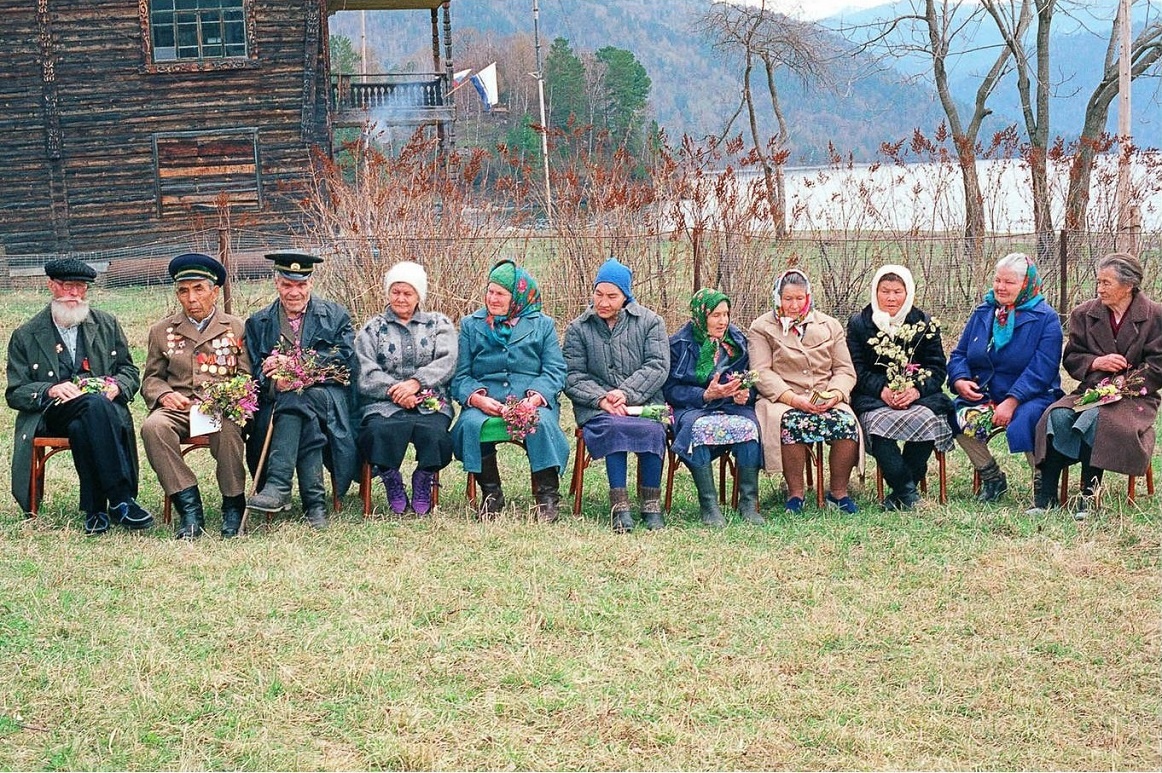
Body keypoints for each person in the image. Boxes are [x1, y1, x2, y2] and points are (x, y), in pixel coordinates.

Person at [5, 258, 153, 534]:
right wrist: (49, 390)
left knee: (85, 420)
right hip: (54, 413)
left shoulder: (106, 324)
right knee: (93, 407)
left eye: (80, 287)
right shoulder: (26, 334)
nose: (74, 294)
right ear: (51, 286)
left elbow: (129, 370)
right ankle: (121, 500)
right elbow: (15, 392)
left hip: (95, 413)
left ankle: (95, 509)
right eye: (67, 286)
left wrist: (118, 386)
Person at [1033, 252, 1162, 519]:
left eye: (1106, 283)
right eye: (1098, 282)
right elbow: (1071, 358)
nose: (1099, 289)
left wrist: (1126, 383)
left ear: (1128, 285)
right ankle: (1045, 497)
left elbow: (1158, 365)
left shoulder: (1155, 316)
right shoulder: (1084, 314)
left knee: (1097, 418)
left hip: (1134, 397)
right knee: (1056, 415)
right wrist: (1095, 363)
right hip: (1091, 390)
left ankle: (1089, 497)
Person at [140, 253, 251, 539]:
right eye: (183, 291)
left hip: (219, 407)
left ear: (214, 292)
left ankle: (233, 505)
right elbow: (151, 378)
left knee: (227, 430)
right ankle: (189, 507)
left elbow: (247, 376)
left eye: (199, 289)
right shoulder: (162, 331)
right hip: (180, 406)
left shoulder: (235, 327)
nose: (191, 298)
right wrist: (164, 395)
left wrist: (230, 398)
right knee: (153, 427)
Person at [245, 252, 358, 530]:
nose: (294, 292)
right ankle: (314, 505)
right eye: (287, 284)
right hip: (280, 403)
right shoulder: (258, 323)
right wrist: (274, 379)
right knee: (297, 404)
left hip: (328, 398)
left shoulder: (335, 316)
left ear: (310, 283)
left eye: (301, 285)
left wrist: (297, 366)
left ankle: (279, 484)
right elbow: (254, 374)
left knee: (297, 396)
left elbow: (345, 359)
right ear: (276, 283)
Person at [451, 259, 570, 522]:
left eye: (500, 294)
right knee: (472, 425)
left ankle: (547, 497)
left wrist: (536, 398)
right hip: (487, 399)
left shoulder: (543, 325)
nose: (492, 298)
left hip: (530, 399)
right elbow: (461, 375)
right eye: (490, 291)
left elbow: (555, 370)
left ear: (516, 296)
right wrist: (478, 399)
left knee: (541, 425)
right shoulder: (472, 324)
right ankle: (491, 495)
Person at [564, 258, 671, 532]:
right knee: (614, 428)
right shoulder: (578, 328)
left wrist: (626, 393)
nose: (603, 302)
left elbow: (657, 365)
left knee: (652, 430)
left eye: (612, 296)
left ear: (626, 296)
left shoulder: (650, 322)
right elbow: (572, 374)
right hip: (598, 407)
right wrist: (602, 399)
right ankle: (619, 507)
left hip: (642, 402)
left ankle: (651, 505)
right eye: (598, 294)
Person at [948, 252, 1062, 503]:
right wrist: (960, 379)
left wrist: (1012, 401)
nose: (1000, 287)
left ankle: (1042, 483)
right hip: (988, 392)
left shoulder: (1046, 319)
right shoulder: (984, 312)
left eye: (1009, 282)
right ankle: (991, 477)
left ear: (1026, 284)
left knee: (1027, 420)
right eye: (997, 280)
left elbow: (1042, 370)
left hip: (1033, 395)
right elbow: (960, 354)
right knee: (955, 415)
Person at [749, 269, 863, 514]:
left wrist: (833, 395)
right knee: (791, 422)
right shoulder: (761, 327)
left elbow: (845, 369)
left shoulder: (830, 325)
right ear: (778, 297)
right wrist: (793, 399)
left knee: (846, 423)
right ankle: (795, 494)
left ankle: (838, 493)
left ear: (808, 297)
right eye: (788, 299)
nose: (794, 305)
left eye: (800, 298)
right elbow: (761, 372)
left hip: (824, 395)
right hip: (782, 398)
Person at [846, 265, 954, 510]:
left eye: (897, 291)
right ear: (875, 292)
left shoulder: (924, 324)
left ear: (908, 293)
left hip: (918, 397)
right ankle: (908, 492)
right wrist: (883, 390)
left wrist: (914, 390)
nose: (891, 298)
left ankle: (900, 494)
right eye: (885, 291)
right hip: (875, 397)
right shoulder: (860, 324)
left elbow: (937, 368)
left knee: (928, 420)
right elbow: (856, 368)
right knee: (878, 427)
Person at [354, 261, 456, 516]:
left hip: (429, 400)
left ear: (419, 295)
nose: (400, 298)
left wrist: (416, 384)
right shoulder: (372, 328)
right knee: (377, 431)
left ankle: (423, 478)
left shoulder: (438, 324)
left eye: (407, 293)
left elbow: (447, 361)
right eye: (395, 292)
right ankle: (390, 478)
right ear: (388, 293)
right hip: (384, 402)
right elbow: (365, 370)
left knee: (436, 435)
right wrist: (396, 391)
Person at [664, 288, 763, 527]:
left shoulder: (737, 341)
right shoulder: (679, 344)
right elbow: (670, 390)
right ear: (701, 316)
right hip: (695, 407)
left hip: (732, 407)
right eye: (716, 315)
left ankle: (748, 503)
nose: (723, 321)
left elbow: (751, 378)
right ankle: (709, 505)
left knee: (750, 427)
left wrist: (744, 395)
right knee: (695, 428)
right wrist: (705, 395)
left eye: (726, 314)